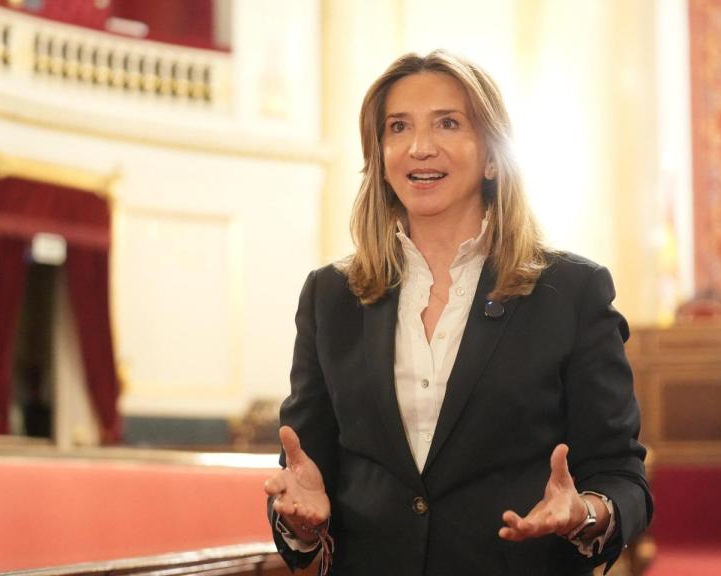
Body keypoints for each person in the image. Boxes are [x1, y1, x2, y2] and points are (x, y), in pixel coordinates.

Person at [263, 49, 652, 576]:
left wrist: (585, 512)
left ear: (493, 156)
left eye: (448, 123)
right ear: (380, 155)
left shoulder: (573, 291)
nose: (420, 147)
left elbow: (621, 476)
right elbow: (305, 475)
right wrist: (300, 522)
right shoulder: (329, 297)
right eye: (398, 127)